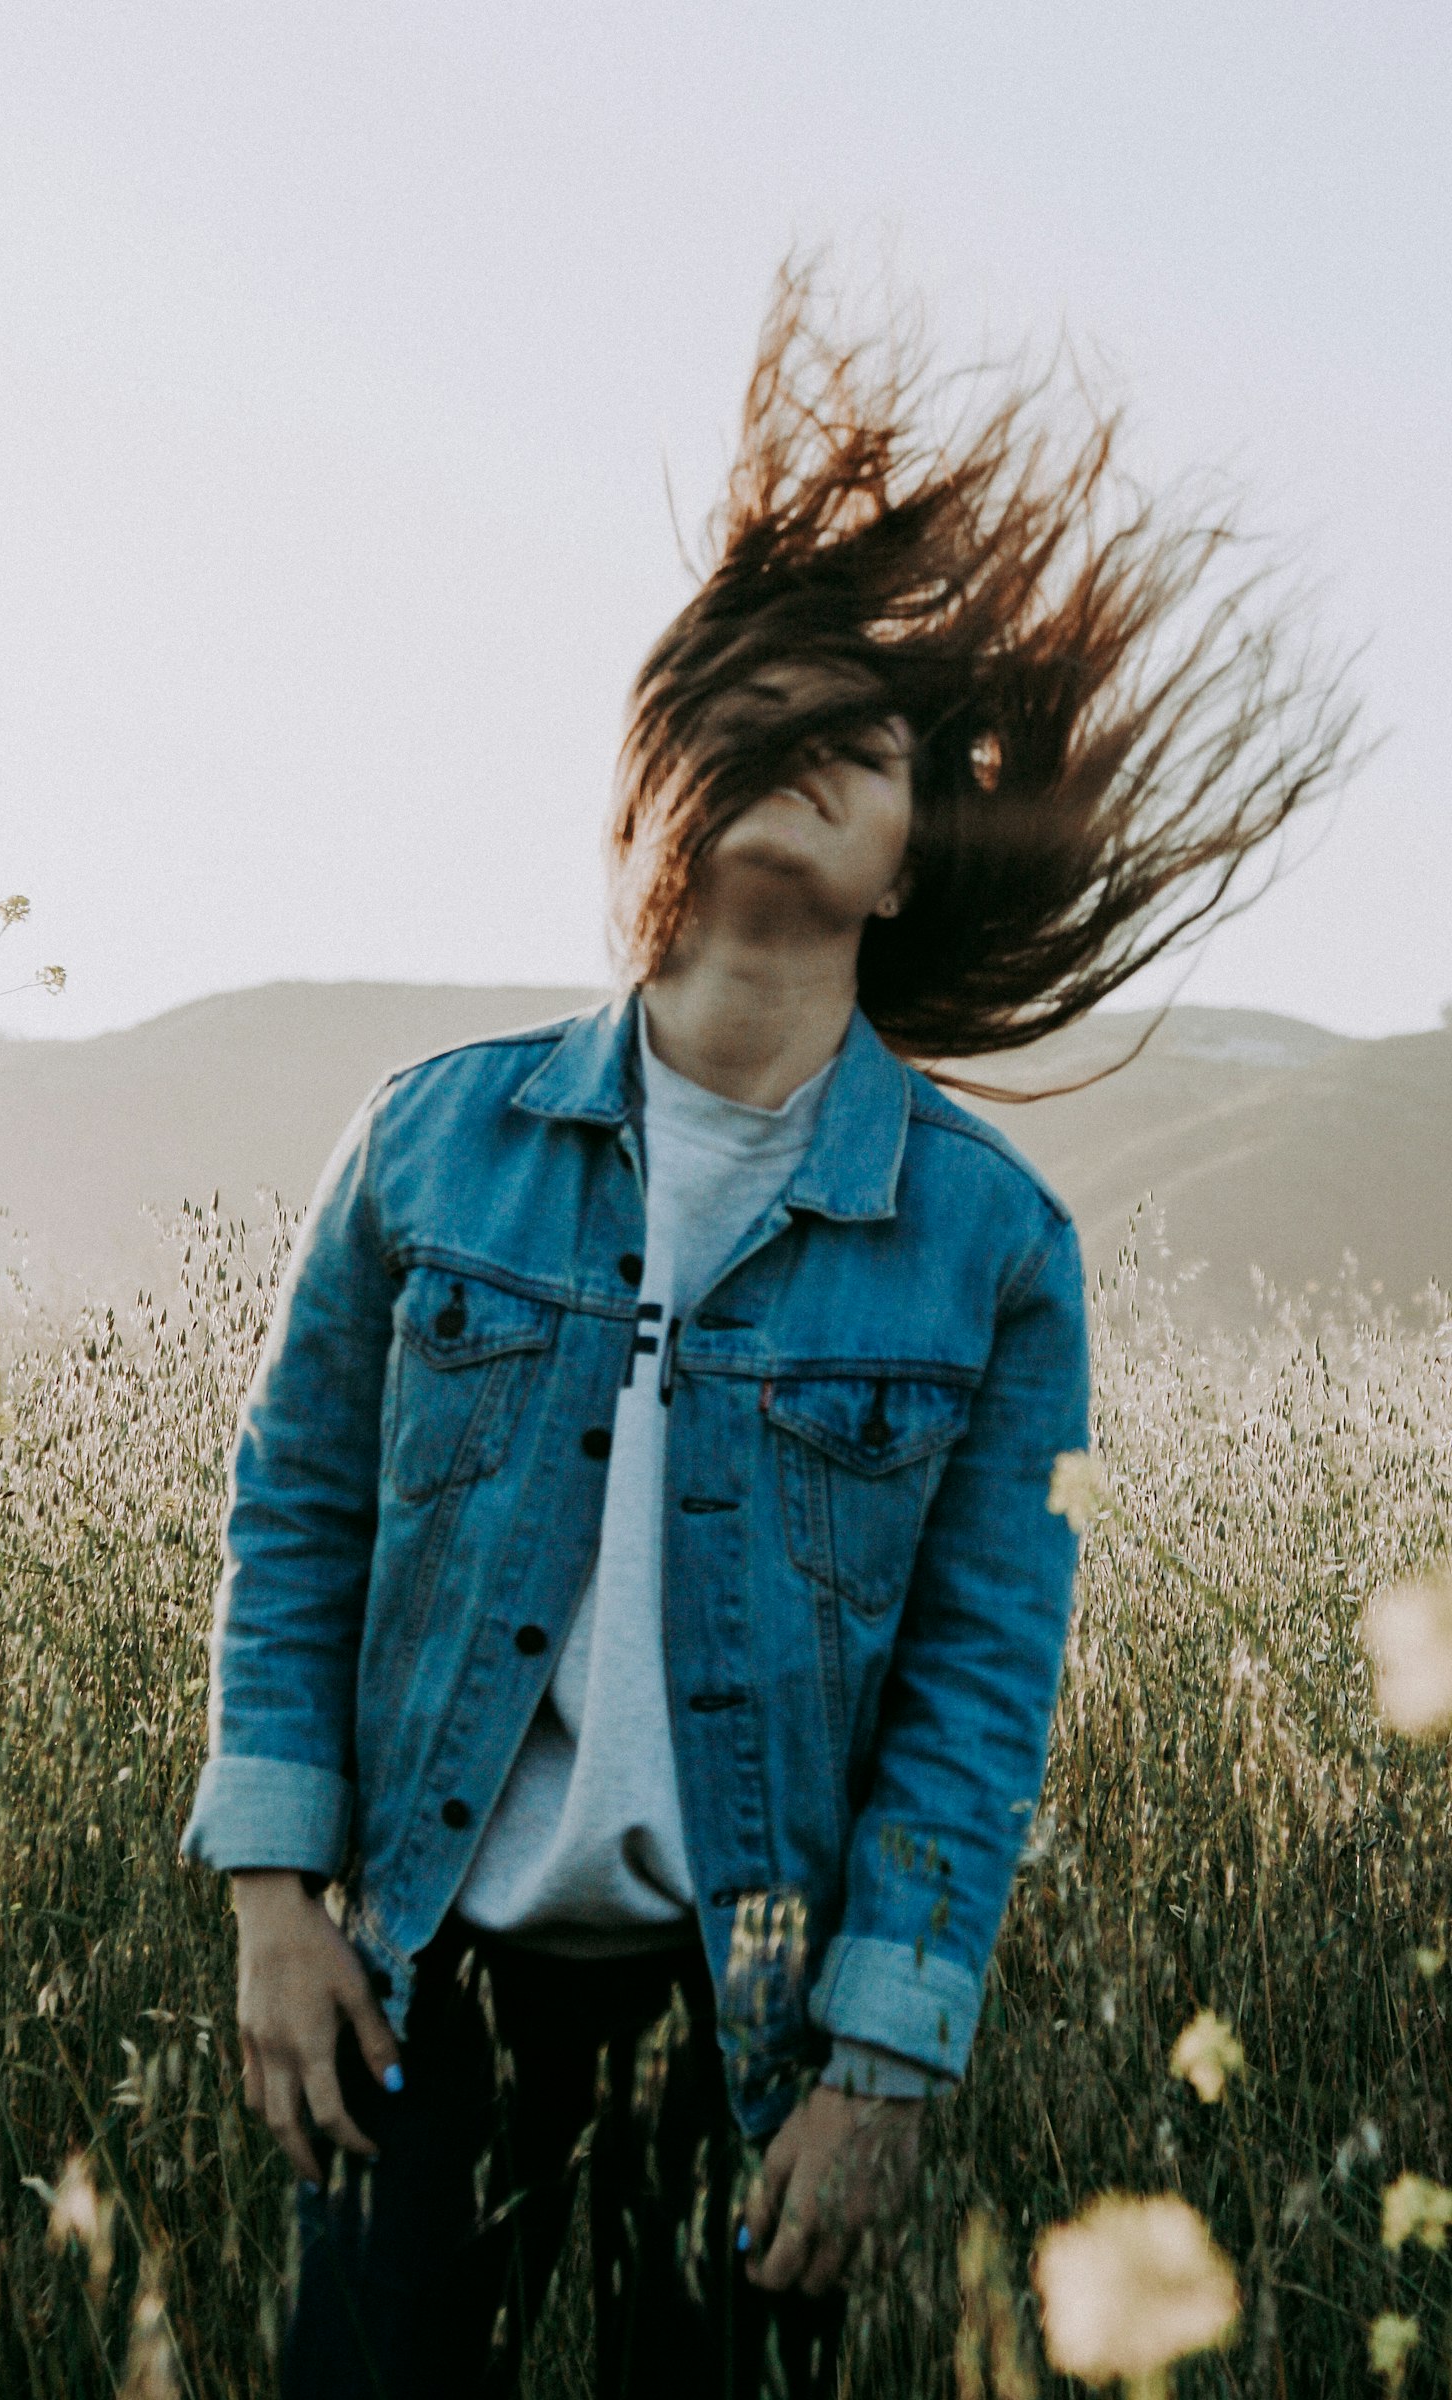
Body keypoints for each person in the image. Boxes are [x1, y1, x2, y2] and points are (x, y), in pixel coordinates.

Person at [180, 263, 1353, 2398]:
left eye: (865, 747)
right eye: (766, 718)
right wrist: (273, 1901)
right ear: (671, 775)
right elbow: (300, 1506)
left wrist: (882, 2061)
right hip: (412, 1965)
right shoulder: (433, 1145)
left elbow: (977, 1684)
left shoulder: (986, 1250)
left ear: (912, 864)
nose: (807, 762)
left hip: (751, 2020)